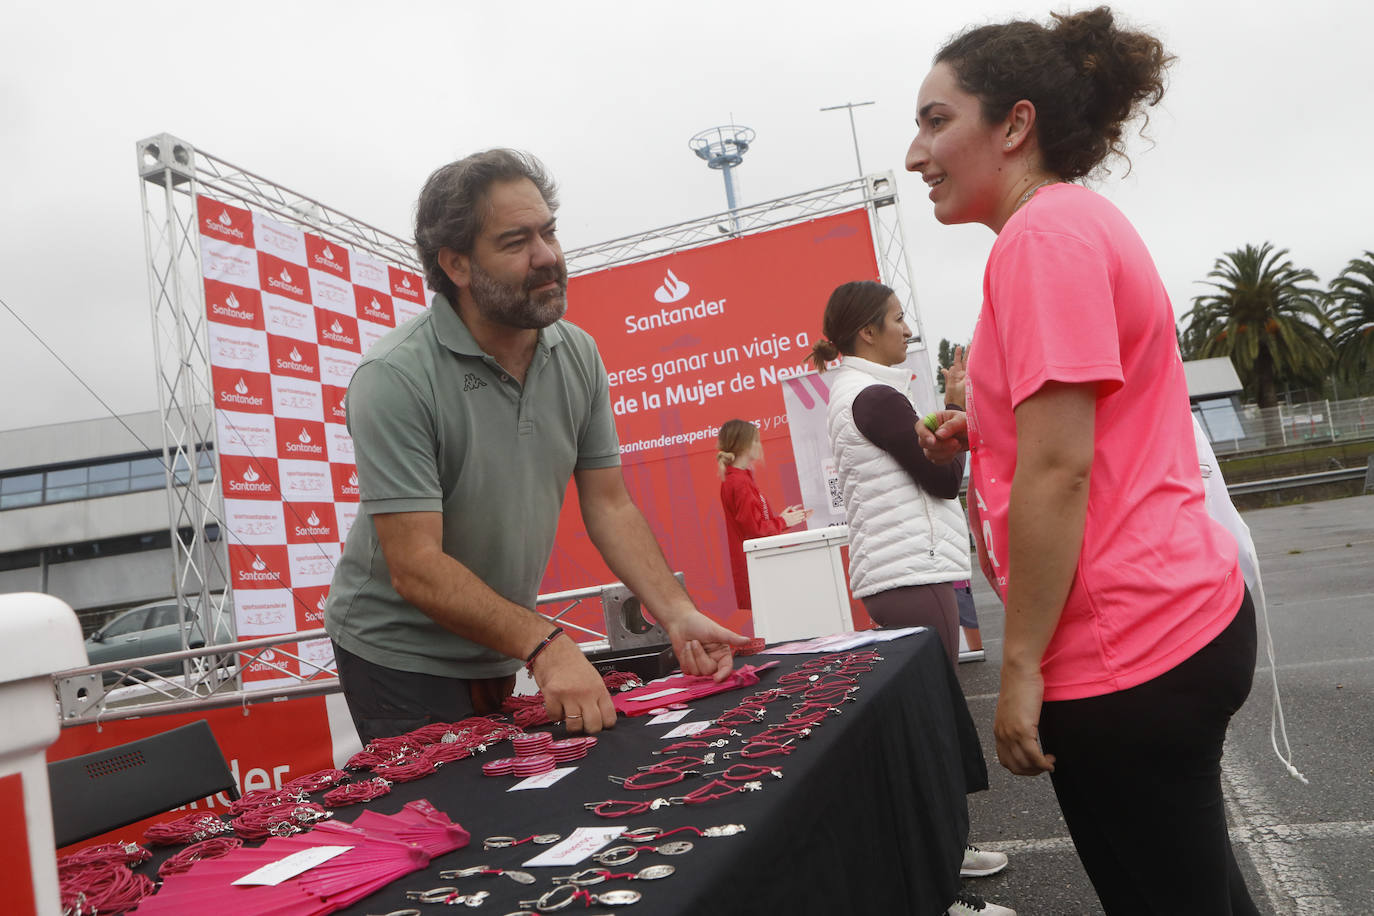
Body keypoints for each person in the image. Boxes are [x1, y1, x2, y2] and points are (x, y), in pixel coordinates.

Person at [909, 9, 1258, 914]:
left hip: (1126, 648)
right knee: (1199, 887)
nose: (917, 154)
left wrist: (1019, 666)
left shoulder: (1044, 240)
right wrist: (981, 427)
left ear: (1015, 124)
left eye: (937, 120)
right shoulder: (1065, 225)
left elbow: (1060, 470)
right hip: (1166, 622)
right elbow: (1082, 427)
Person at [323, 149, 748, 745]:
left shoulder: (577, 353)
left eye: (548, 231)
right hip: (399, 658)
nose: (548, 255)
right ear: (458, 265)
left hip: (499, 647)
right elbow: (415, 566)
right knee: (459, 826)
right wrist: (545, 644)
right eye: (517, 241)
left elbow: (609, 506)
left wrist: (677, 615)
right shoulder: (394, 376)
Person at [809, 281, 1012, 916]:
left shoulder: (864, 392)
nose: (908, 331)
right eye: (898, 320)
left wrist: (944, 415)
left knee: (937, 726)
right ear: (867, 332)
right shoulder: (872, 394)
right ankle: (941, 887)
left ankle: (950, 851)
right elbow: (944, 475)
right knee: (930, 733)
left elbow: (930, 459)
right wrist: (952, 413)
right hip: (910, 576)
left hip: (904, 573)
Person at [715, 419, 810, 609]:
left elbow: (753, 524)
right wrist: (782, 521)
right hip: (758, 566)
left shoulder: (738, 479)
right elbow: (754, 531)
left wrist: (781, 520)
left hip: (757, 565)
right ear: (743, 445)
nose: (760, 445)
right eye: (756, 440)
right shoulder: (739, 482)